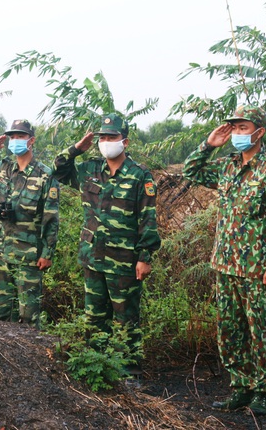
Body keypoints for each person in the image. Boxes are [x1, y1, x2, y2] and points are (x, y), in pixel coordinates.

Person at [182, 105, 266, 415]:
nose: (238, 134)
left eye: (244, 128)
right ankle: (241, 388)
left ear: (260, 132)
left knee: (262, 331)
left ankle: (263, 392)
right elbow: (190, 171)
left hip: (258, 269)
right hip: (226, 265)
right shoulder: (227, 166)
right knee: (230, 330)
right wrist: (208, 144)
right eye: (235, 128)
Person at [53, 113, 161, 379]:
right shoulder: (89, 169)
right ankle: (96, 368)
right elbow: (57, 169)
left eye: (111, 137)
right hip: (93, 256)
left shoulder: (139, 176)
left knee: (126, 320)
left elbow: (148, 219)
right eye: (102, 137)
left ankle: (129, 372)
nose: (106, 142)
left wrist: (144, 257)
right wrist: (77, 148)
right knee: (94, 317)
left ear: (125, 141)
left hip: (124, 260)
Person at [0, 119, 59, 328]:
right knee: (0, 314)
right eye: (13, 136)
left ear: (31, 140)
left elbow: (51, 218)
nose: (15, 140)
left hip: (28, 255)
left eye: (21, 136)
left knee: (29, 318)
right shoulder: (0, 169)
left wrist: (47, 253)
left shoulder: (45, 175)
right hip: (0, 251)